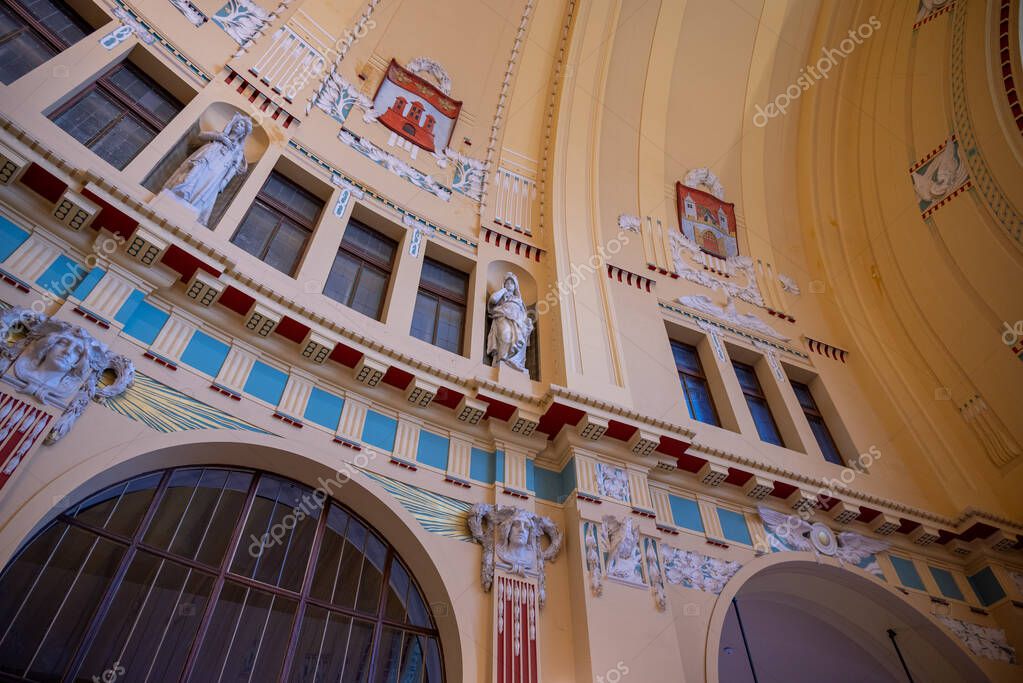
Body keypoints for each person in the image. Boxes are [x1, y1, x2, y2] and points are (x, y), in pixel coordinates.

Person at [162, 113, 252, 225]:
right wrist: (220, 138)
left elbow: (234, 168)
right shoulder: (220, 135)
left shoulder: (238, 150)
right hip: (205, 158)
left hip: (218, 169)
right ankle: (181, 191)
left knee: (205, 186)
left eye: (241, 125)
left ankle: (193, 204)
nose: (238, 125)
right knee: (191, 176)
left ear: (244, 133)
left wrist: (224, 182)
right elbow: (201, 135)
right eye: (237, 123)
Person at [486, 272, 533, 373]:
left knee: (519, 340)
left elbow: (523, 312)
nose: (509, 284)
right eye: (507, 282)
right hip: (503, 316)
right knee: (505, 336)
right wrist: (503, 289)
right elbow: (493, 300)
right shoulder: (501, 296)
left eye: (512, 283)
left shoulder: (518, 299)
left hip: (517, 321)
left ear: (515, 286)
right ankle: (503, 359)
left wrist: (527, 322)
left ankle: (514, 362)